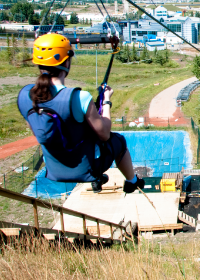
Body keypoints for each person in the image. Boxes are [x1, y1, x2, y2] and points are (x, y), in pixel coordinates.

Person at [17, 33, 145, 193]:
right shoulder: (78, 98)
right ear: (67, 62)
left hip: (55, 166)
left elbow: (38, 131)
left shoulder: (25, 97)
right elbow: (104, 134)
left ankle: (97, 179)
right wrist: (105, 100)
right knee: (119, 141)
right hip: (86, 166)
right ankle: (131, 181)